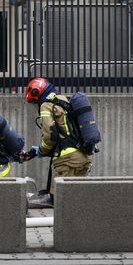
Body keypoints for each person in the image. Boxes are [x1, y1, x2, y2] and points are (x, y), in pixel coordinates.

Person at [24, 77, 91, 205]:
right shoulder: (62, 100)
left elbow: (49, 137)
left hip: (67, 161)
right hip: (82, 157)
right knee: (76, 204)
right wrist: (39, 151)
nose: (35, 105)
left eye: (34, 102)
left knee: (61, 205)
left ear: (36, 93)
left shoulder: (46, 105)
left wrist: (42, 150)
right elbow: (65, 132)